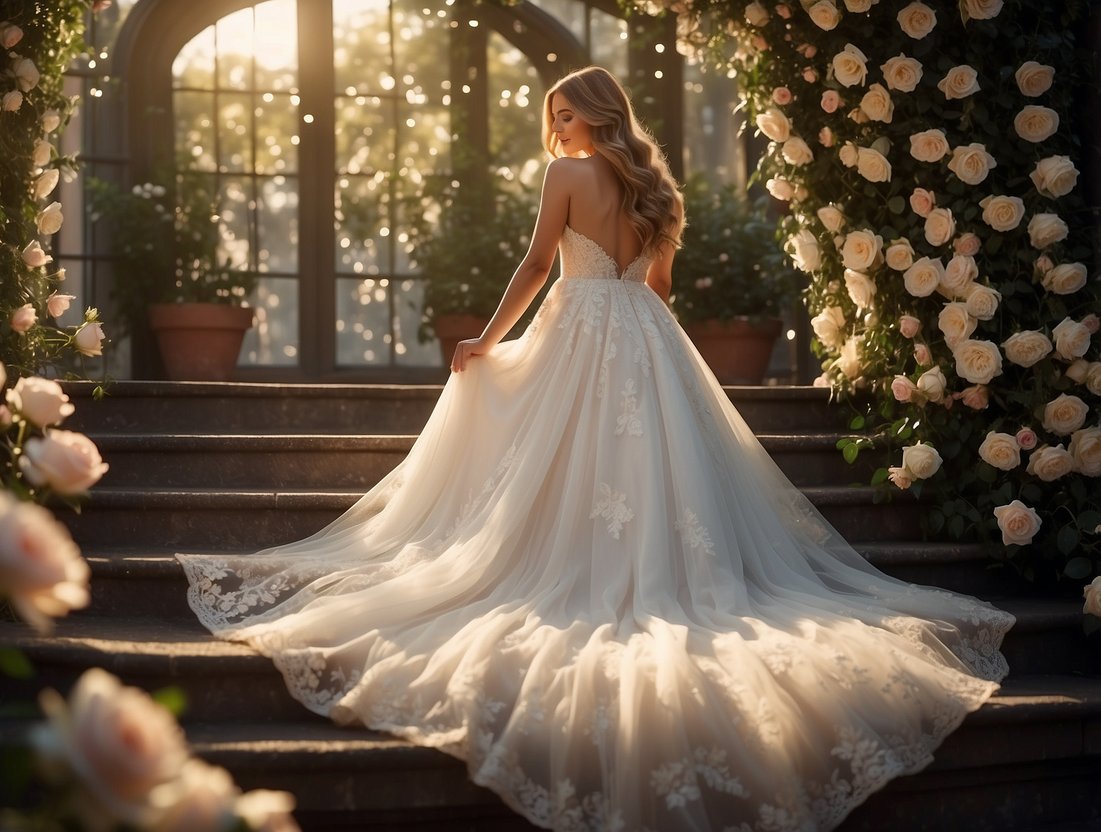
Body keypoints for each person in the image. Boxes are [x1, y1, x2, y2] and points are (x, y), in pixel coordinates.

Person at [179, 66, 1015, 831]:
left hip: (581, 326)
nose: (559, 124)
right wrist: (634, 332)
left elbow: (540, 262)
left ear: (596, 114)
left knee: (548, 446)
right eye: (553, 113)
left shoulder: (567, 174)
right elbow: (656, 287)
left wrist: (485, 338)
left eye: (567, 110)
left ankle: (568, 561)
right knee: (649, 465)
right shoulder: (653, 188)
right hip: (646, 336)